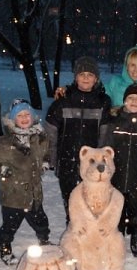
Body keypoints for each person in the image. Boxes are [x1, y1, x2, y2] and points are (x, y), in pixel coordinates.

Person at [0, 99, 52, 265]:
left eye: (27, 114)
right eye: (19, 115)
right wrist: (1, 170)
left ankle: (44, 241)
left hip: (34, 192)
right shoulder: (6, 142)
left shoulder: (40, 137)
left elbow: (47, 151)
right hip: (13, 195)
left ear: (33, 117)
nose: (24, 118)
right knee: (10, 224)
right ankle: (5, 248)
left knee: (40, 220)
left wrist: (45, 162)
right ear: (13, 119)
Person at [45, 56, 112, 222]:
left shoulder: (103, 102)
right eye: (82, 74)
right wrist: (51, 159)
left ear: (96, 78)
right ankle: (72, 231)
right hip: (67, 159)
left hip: (91, 165)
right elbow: (50, 132)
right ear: (76, 77)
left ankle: (88, 235)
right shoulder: (63, 101)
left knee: (90, 202)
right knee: (71, 202)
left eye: (90, 74)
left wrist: (103, 162)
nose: (86, 78)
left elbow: (105, 135)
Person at [101, 83, 137, 258]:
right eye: (130, 98)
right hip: (116, 176)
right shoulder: (115, 122)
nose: (134, 101)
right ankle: (115, 238)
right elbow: (106, 149)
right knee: (116, 209)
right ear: (124, 101)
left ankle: (136, 239)